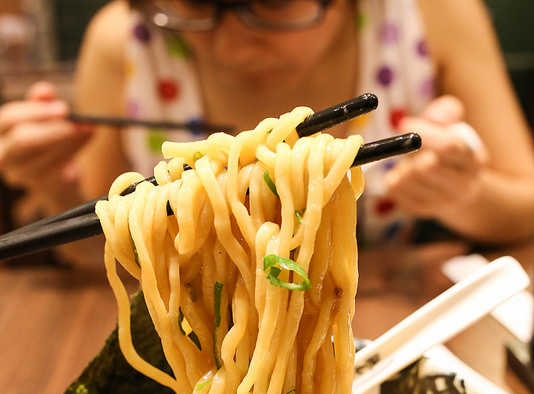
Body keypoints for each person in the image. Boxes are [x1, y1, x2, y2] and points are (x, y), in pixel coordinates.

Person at [1, 0, 534, 266]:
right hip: (192, 351)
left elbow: (525, 202)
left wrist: (463, 192)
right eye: (197, 4)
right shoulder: (125, 40)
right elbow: (98, 251)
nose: (233, 46)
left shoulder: (431, 15)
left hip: (381, 330)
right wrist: (55, 189)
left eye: (274, 3)